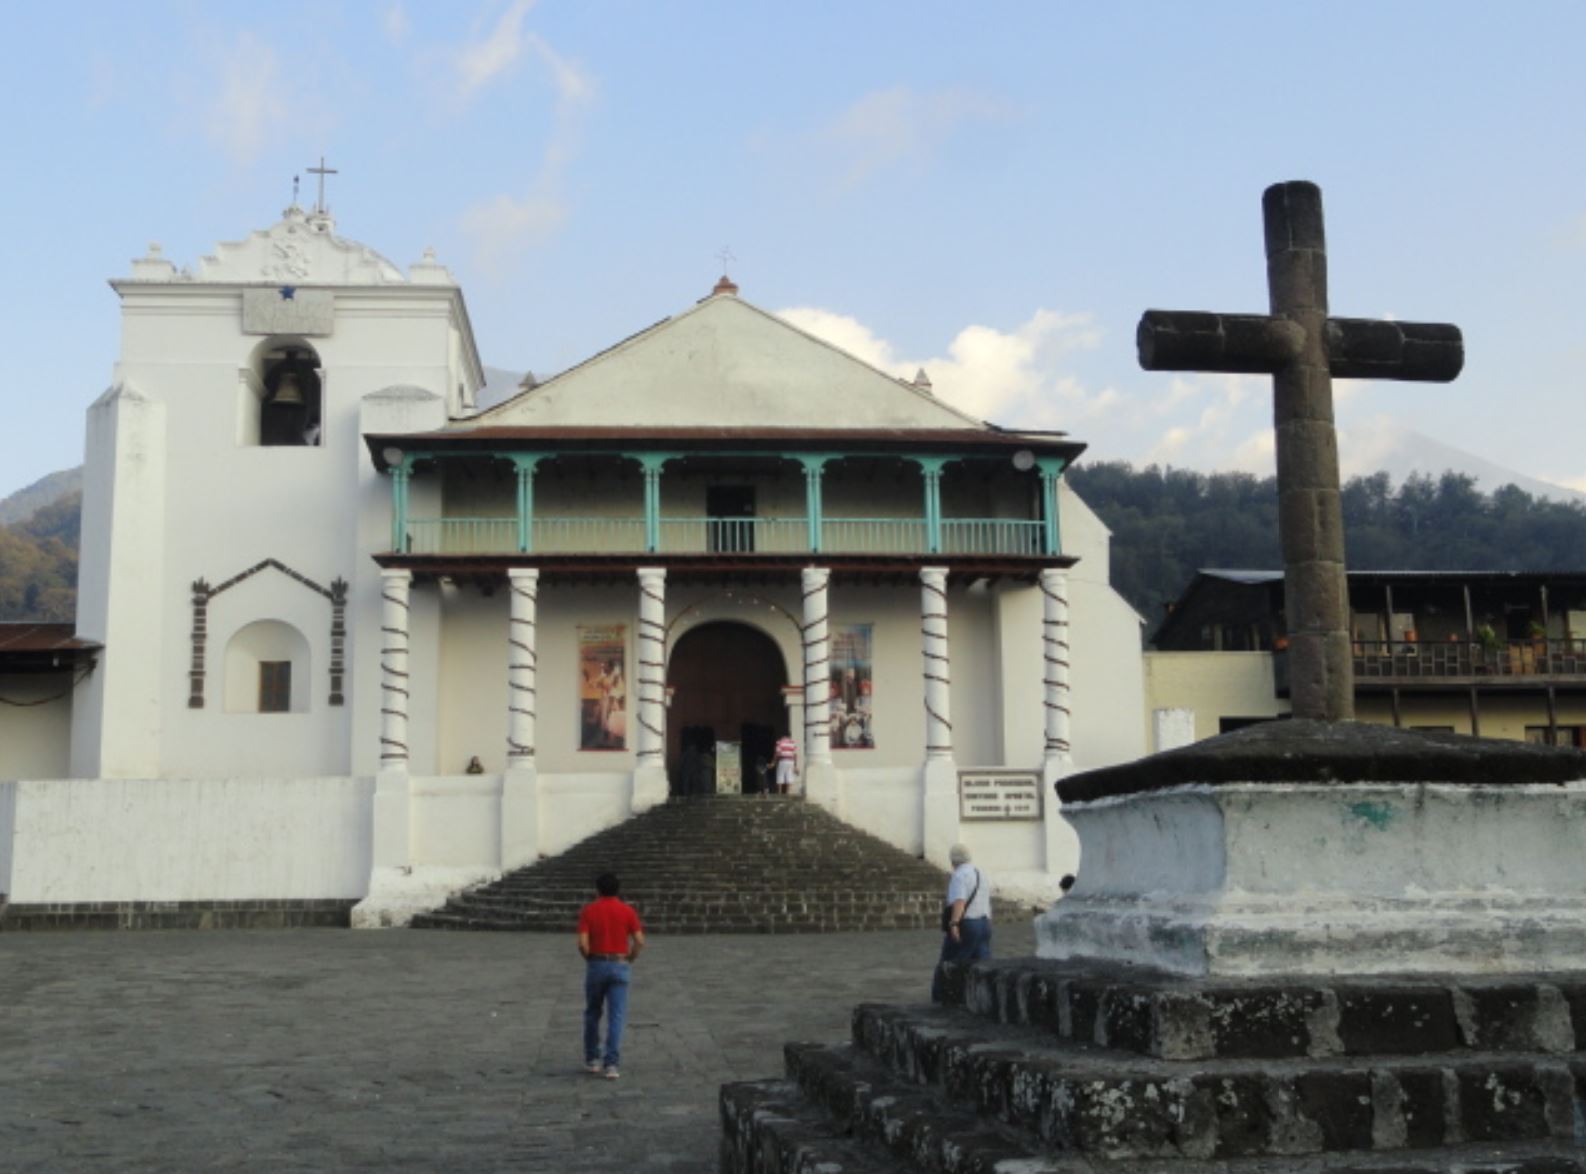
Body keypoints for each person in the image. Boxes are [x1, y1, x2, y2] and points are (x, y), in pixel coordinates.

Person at [577, 872, 645, 1079]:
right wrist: (630, 958)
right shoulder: (627, 911)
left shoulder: (589, 911)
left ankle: (592, 1059)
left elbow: (582, 943)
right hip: (620, 963)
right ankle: (612, 1064)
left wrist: (589, 958)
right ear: (618, 889)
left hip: (597, 962)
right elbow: (640, 940)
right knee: (616, 1016)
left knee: (592, 1013)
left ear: (597, 890)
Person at [931, 843, 991, 1001]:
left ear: (953, 860)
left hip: (967, 924)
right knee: (983, 964)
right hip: (984, 923)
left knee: (949, 963)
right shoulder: (980, 873)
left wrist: (954, 924)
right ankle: (984, 998)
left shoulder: (959, 875)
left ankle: (944, 997)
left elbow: (959, 901)